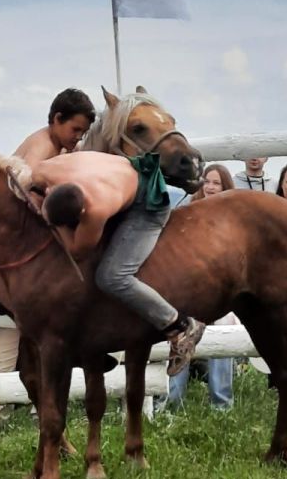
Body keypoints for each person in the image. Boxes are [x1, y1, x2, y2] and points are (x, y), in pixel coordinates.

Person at [33, 150, 205, 370]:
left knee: (112, 277)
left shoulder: (96, 208)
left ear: (82, 211)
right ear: (50, 189)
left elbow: (76, 251)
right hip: (123, 182)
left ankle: (180, 326)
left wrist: (57, 227)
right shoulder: (43, 170)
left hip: (148, 205)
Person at [167, 163, 237, 409]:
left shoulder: (234, 219)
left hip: (225, 292)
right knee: (181, 329)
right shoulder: (188, 214)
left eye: (217, 183)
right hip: (191, 290)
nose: (210, 187)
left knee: (225, 327)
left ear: (225, 186)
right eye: (207, 181)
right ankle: (172, 401)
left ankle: (222, 402)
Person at [14, 88, 96, 168]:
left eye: (84, 132)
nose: (79, 137)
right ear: (57, 118)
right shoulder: (43, 147)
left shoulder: (67, 147)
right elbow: (23, 179)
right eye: (75, 129)